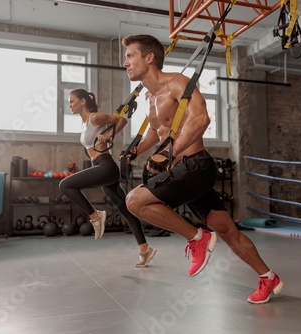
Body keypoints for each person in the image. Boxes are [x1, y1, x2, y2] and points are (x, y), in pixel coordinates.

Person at [121, 34, 283, 304]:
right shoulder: (150, 97)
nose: (125, 62)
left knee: (134, 201)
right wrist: (138, 150)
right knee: (227, 229)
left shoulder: (177, 83)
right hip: (183, 170)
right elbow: (157, 129)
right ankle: (268, 277)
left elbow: (201, 117)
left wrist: (169, 153)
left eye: (130, 56)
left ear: (149, 58)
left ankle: (197, 238)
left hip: (196, 166)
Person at [59, 89, 156, 267]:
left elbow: (122, 120)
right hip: (101, 167)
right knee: (126, 209)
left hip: (106, 166)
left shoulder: (95, 117)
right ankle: (145, 249)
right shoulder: (85, 124)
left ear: (82, 101)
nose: (69, 105)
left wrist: (109, 135)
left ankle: (95, 216)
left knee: (66, 185)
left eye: (72, 101)